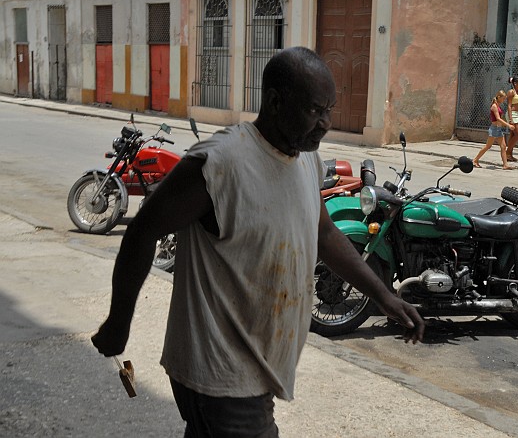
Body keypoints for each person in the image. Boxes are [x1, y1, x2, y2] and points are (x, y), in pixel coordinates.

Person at [91, 46, 425, 437]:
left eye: (329, 110)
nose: (326, 123)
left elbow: (323, 234)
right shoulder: (219, 164)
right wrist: (119, 322)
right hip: (219, 372)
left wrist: (382, 295)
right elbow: (142, 230)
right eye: (315, 110)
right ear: (275, 101)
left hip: (255, 366)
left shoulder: (304, 159)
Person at [472, 90, 516, 170]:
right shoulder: (494, 106)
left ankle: (505, 165)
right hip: (494, 129)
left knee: (503, 147)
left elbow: (500, 118)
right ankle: (475, 160)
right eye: (503, 98)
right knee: (488, 146)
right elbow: (498, 119)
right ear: (499, 97)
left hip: (498, 129)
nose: (504, 100)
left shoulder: (498, 105)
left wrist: (507, 122)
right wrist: (508, 125)